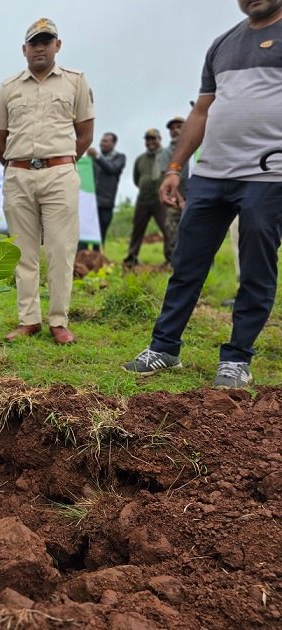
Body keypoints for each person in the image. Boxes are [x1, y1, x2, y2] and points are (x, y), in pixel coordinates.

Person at [123, 0, 282, 389]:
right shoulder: (222, 44)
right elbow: (202, 112)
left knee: (256, 267)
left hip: (268, 173)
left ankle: (236, 358)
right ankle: (164, 347)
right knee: (187, 262)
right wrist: (176, 168)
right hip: (212, 173)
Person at [0, 18, 95, 345]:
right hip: (19, 175)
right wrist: (18, 165)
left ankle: (59, 320)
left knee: (62, 249)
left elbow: (86, 133)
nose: (40, 47)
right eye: (34, 42)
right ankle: (29, 319)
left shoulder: (75, 82)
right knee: (22, 251)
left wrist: (57, 162)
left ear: (57, 46)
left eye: (46, 41)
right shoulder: (9, 87)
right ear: (24, 49)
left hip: (60, 174)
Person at [124, 129, 171, 266]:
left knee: (167, 229)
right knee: (137, 229)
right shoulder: (140, 159)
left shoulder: (167, 155)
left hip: (161, 200)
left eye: (153, 139)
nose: (150, 142)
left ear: (160, 139)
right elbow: (135, 179)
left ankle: (170, 259)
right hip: (143, 200)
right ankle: (131, 258)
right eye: (147, 139)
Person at [85, 132, 126, 248]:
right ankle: (80, 261)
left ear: (114, 143)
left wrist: (97, 157)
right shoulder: (94, 160)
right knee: (83, 234)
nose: (101, 143)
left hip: (106, 204)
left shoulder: (120, 158)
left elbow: (111, 169)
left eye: (105, 141)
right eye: (101, 141)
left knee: (100, 235)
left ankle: (97, 261)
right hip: (91, 203)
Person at [159, 115, 189, 261]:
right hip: (175, 200)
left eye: (179, 127)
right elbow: (167, 177)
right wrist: (180, 200)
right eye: (172, 129)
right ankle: (174, 265)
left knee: (200, 233)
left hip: (196, 197)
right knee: (174, 235)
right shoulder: (166, 152)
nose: (175, 131)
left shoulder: (196, 146)